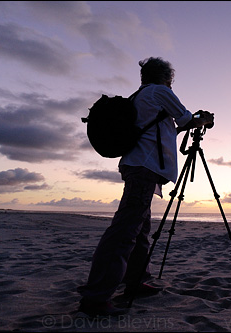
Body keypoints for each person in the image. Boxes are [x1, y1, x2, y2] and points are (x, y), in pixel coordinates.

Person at [77, 57, 214, 316]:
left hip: (138, 166)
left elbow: (167, 128)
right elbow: (185, 120)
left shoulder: (139, 96)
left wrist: (189, 123)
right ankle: (96, 297)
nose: (171, 83)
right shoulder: (160, 91)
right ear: (166, 77)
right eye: (171, 79)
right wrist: (203, 120)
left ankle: (136, 281)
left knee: (140, 229)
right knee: (125, 231)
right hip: (144, 167)